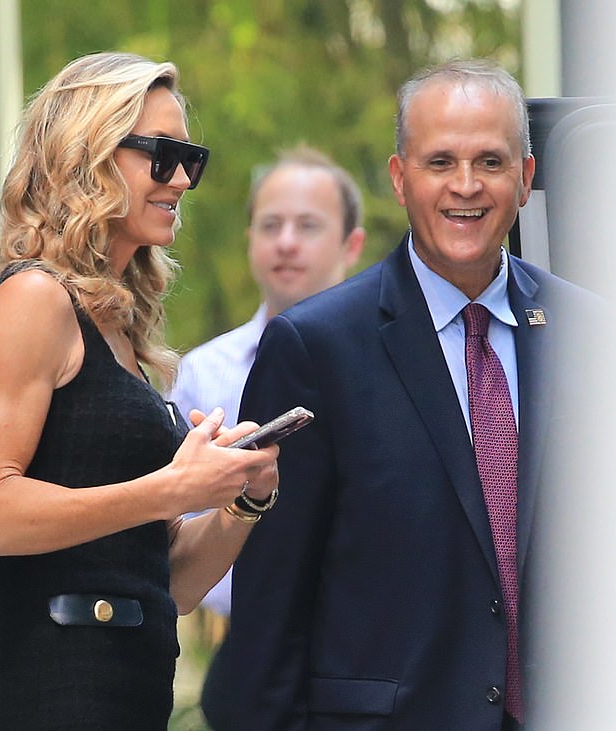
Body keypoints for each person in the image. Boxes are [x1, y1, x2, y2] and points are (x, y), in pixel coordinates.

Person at [229, 59, 603, 730]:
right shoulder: (315, 350)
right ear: (401, 179)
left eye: (490, 161)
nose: (466, 186)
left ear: (526, 177)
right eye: (441, 162)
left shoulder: (599, 337)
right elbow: (268, 622)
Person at [0, 52, 279, 731]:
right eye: (161, 155)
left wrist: (241, 499)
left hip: (129, 697)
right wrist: (172, 488)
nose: (182, 178)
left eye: (190, 157)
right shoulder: (34, 299)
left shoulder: (122, 325)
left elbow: (173, 585)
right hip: (50, 695)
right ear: (88, 155)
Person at [168, 145, 365, 728]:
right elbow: (171, 524)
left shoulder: (388, 366)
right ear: (250, 239)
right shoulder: (202, 373)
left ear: (352, 245)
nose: (286, 242)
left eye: (308, 226)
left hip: (370, 660)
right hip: (249, 662)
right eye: (270, 225)